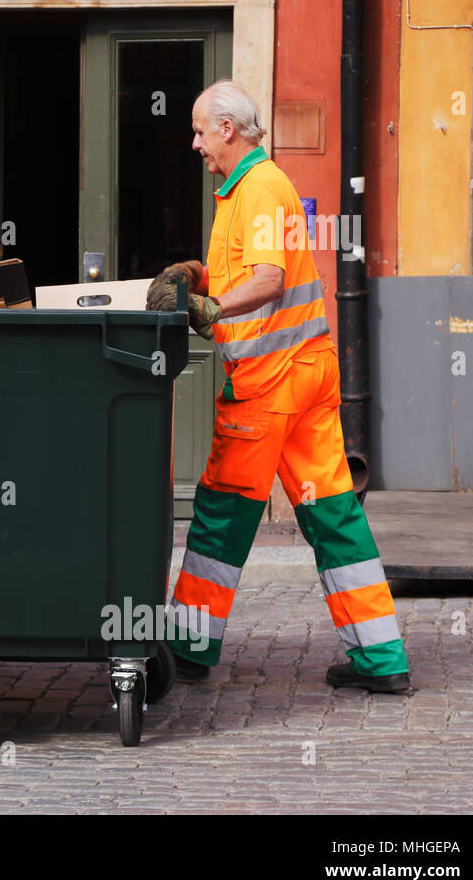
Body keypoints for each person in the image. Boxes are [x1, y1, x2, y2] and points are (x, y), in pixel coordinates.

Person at [146, 80, 411, 694]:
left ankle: (187, 646)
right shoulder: (256, 187)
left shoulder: (258, 188)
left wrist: (208, 308)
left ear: (228, 130)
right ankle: (381, 659)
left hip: (268, 385)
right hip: (307, 375)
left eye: (199, 131)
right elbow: (252, 269)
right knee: (333, 513)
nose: (195, 143)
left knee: (220, 513)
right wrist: (196, 272)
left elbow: (265, 280)